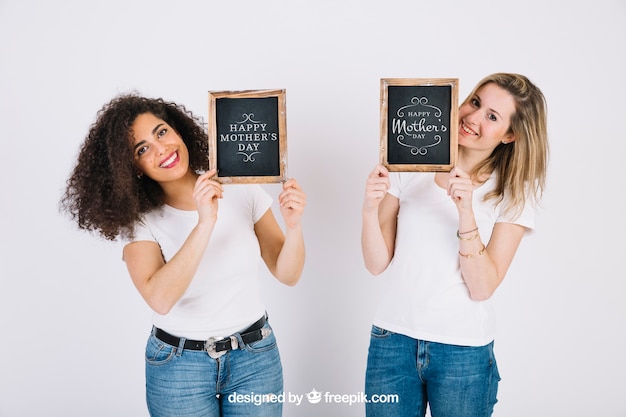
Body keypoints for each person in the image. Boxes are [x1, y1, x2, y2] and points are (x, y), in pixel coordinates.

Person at [61, 94, 306, 417]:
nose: (161, 149)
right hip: (179, 368)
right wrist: (205, 222)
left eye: (161, 132)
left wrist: (294, 226)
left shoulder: (241, 189)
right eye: (142, 149)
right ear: (130, 166)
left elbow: (287, 274)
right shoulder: (140, 222)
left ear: (178, 130)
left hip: (255, 358)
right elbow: (160, 298)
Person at [361, 73, 548, 417]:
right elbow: (376, 263)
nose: (473, 118)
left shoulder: (512, 193)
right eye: (475, 102)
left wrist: (466, 212)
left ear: (510, 135)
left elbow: (482, 287)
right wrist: (370, 208)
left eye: (492, 116)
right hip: (392, 341)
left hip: (463, 352)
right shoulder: (409, 164)